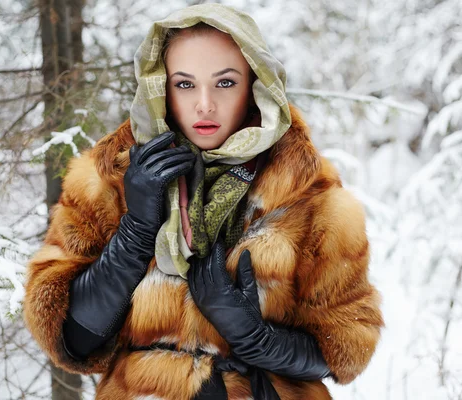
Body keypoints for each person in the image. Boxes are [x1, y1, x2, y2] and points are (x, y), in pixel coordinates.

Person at [23, 4, 383, 399]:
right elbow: (69, 337)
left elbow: (343, 347)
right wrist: (135, 234)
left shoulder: (309, 195)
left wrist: (256, 338)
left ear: (255, 84)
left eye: (225, 83)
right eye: (185, 84)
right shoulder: (108, 179)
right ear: (160, 85)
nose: (205, 104)